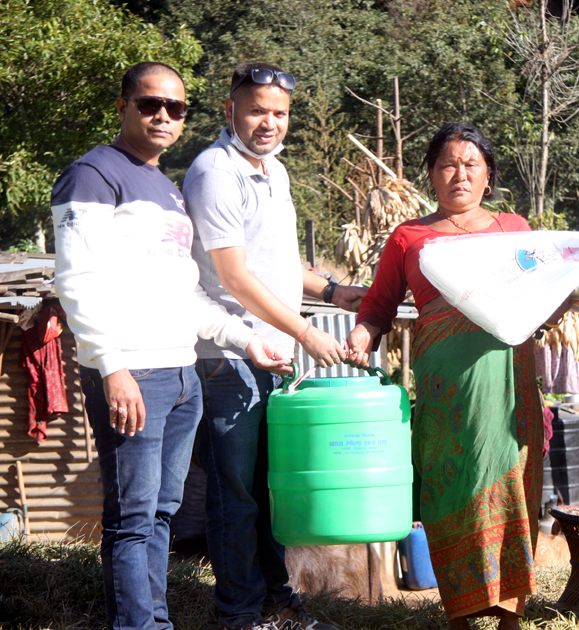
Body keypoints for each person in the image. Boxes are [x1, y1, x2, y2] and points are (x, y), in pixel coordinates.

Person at [51, 61, 288, 630]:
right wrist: (112, 368)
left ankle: (153, 620)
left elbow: (185, 292)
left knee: (161, 513)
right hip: (134, 372)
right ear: (123, 108)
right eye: (149, 104)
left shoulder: (164, 187)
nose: (163, 116)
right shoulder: (92, 175)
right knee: (132, 517)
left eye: (175, 108)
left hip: (183, 373)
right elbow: (75, 281)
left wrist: (245, 339)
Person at [345, 123, 563, 630]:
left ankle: (511, 617)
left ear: (488, 176)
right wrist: (362, 334)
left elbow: (551, 291)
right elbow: (379, 305)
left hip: (508, 386)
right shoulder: (410, 238)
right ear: (431, 174)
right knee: (449, 490)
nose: (459, 174)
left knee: (510, 488)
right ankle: (459, 617)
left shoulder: (515, 229)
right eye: (447, 164)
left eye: (471, 164)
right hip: (447, 393)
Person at [182, 62, 363, 630]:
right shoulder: (216, 171)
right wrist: (309, 331)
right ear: (230, 109)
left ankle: (277, 604)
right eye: (257, 109)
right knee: (235, 496)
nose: (269, 122)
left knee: (266, 491)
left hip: (270, 358)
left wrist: (334, 290)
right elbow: (235, 277)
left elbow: (277, 265)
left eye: (280, 113)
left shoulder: (274, 172)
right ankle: (239, 614)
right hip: (227, 356)